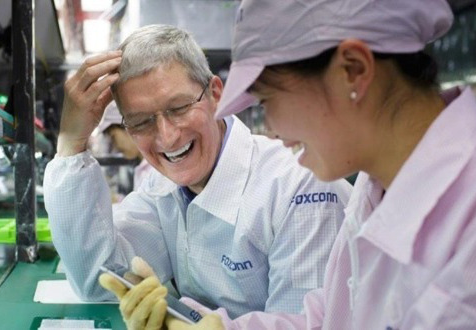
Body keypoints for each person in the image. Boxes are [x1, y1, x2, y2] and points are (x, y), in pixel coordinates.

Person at [104, 0, 476, 329]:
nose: (272, 130)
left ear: (353, 71)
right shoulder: (376, 185)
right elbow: (331, 318)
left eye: (267, 99)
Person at [43, 24, 352, 324]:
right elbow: (100, 280)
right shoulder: (161, 185)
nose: (167, 137)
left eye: (179, 107)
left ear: (215, 93)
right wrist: (71, 142)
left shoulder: (299, 186)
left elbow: (308, 322)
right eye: (140, 122)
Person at [96, 101, 152, 191]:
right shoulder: (143, 168)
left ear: (128, 127)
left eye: (113, 137)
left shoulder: (154, 170)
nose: (114, 147)